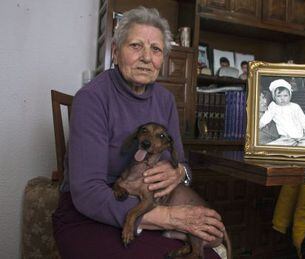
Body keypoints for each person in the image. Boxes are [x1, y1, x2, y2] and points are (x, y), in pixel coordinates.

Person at [52, 7, 224, 259]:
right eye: (136, 46)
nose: (146, 57)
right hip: (92, 213)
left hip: (149, 203)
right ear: (115, 52)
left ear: (162, 59)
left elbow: (183, 164)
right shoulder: (92, 99)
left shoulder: (165, 100)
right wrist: (168, 217)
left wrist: (178, 173)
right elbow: (87, 192)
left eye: (155, 49)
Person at [259, 79, 305, 146]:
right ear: (274, 97)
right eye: (279, 96)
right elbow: (266, 118)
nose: (282, 98)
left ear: (290, 96)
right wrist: (259, 125)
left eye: (285, 95)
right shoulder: (273, 107)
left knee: (300, 152)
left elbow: (303, 119)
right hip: (286, 138)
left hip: (300, 136)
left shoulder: (295, 106)